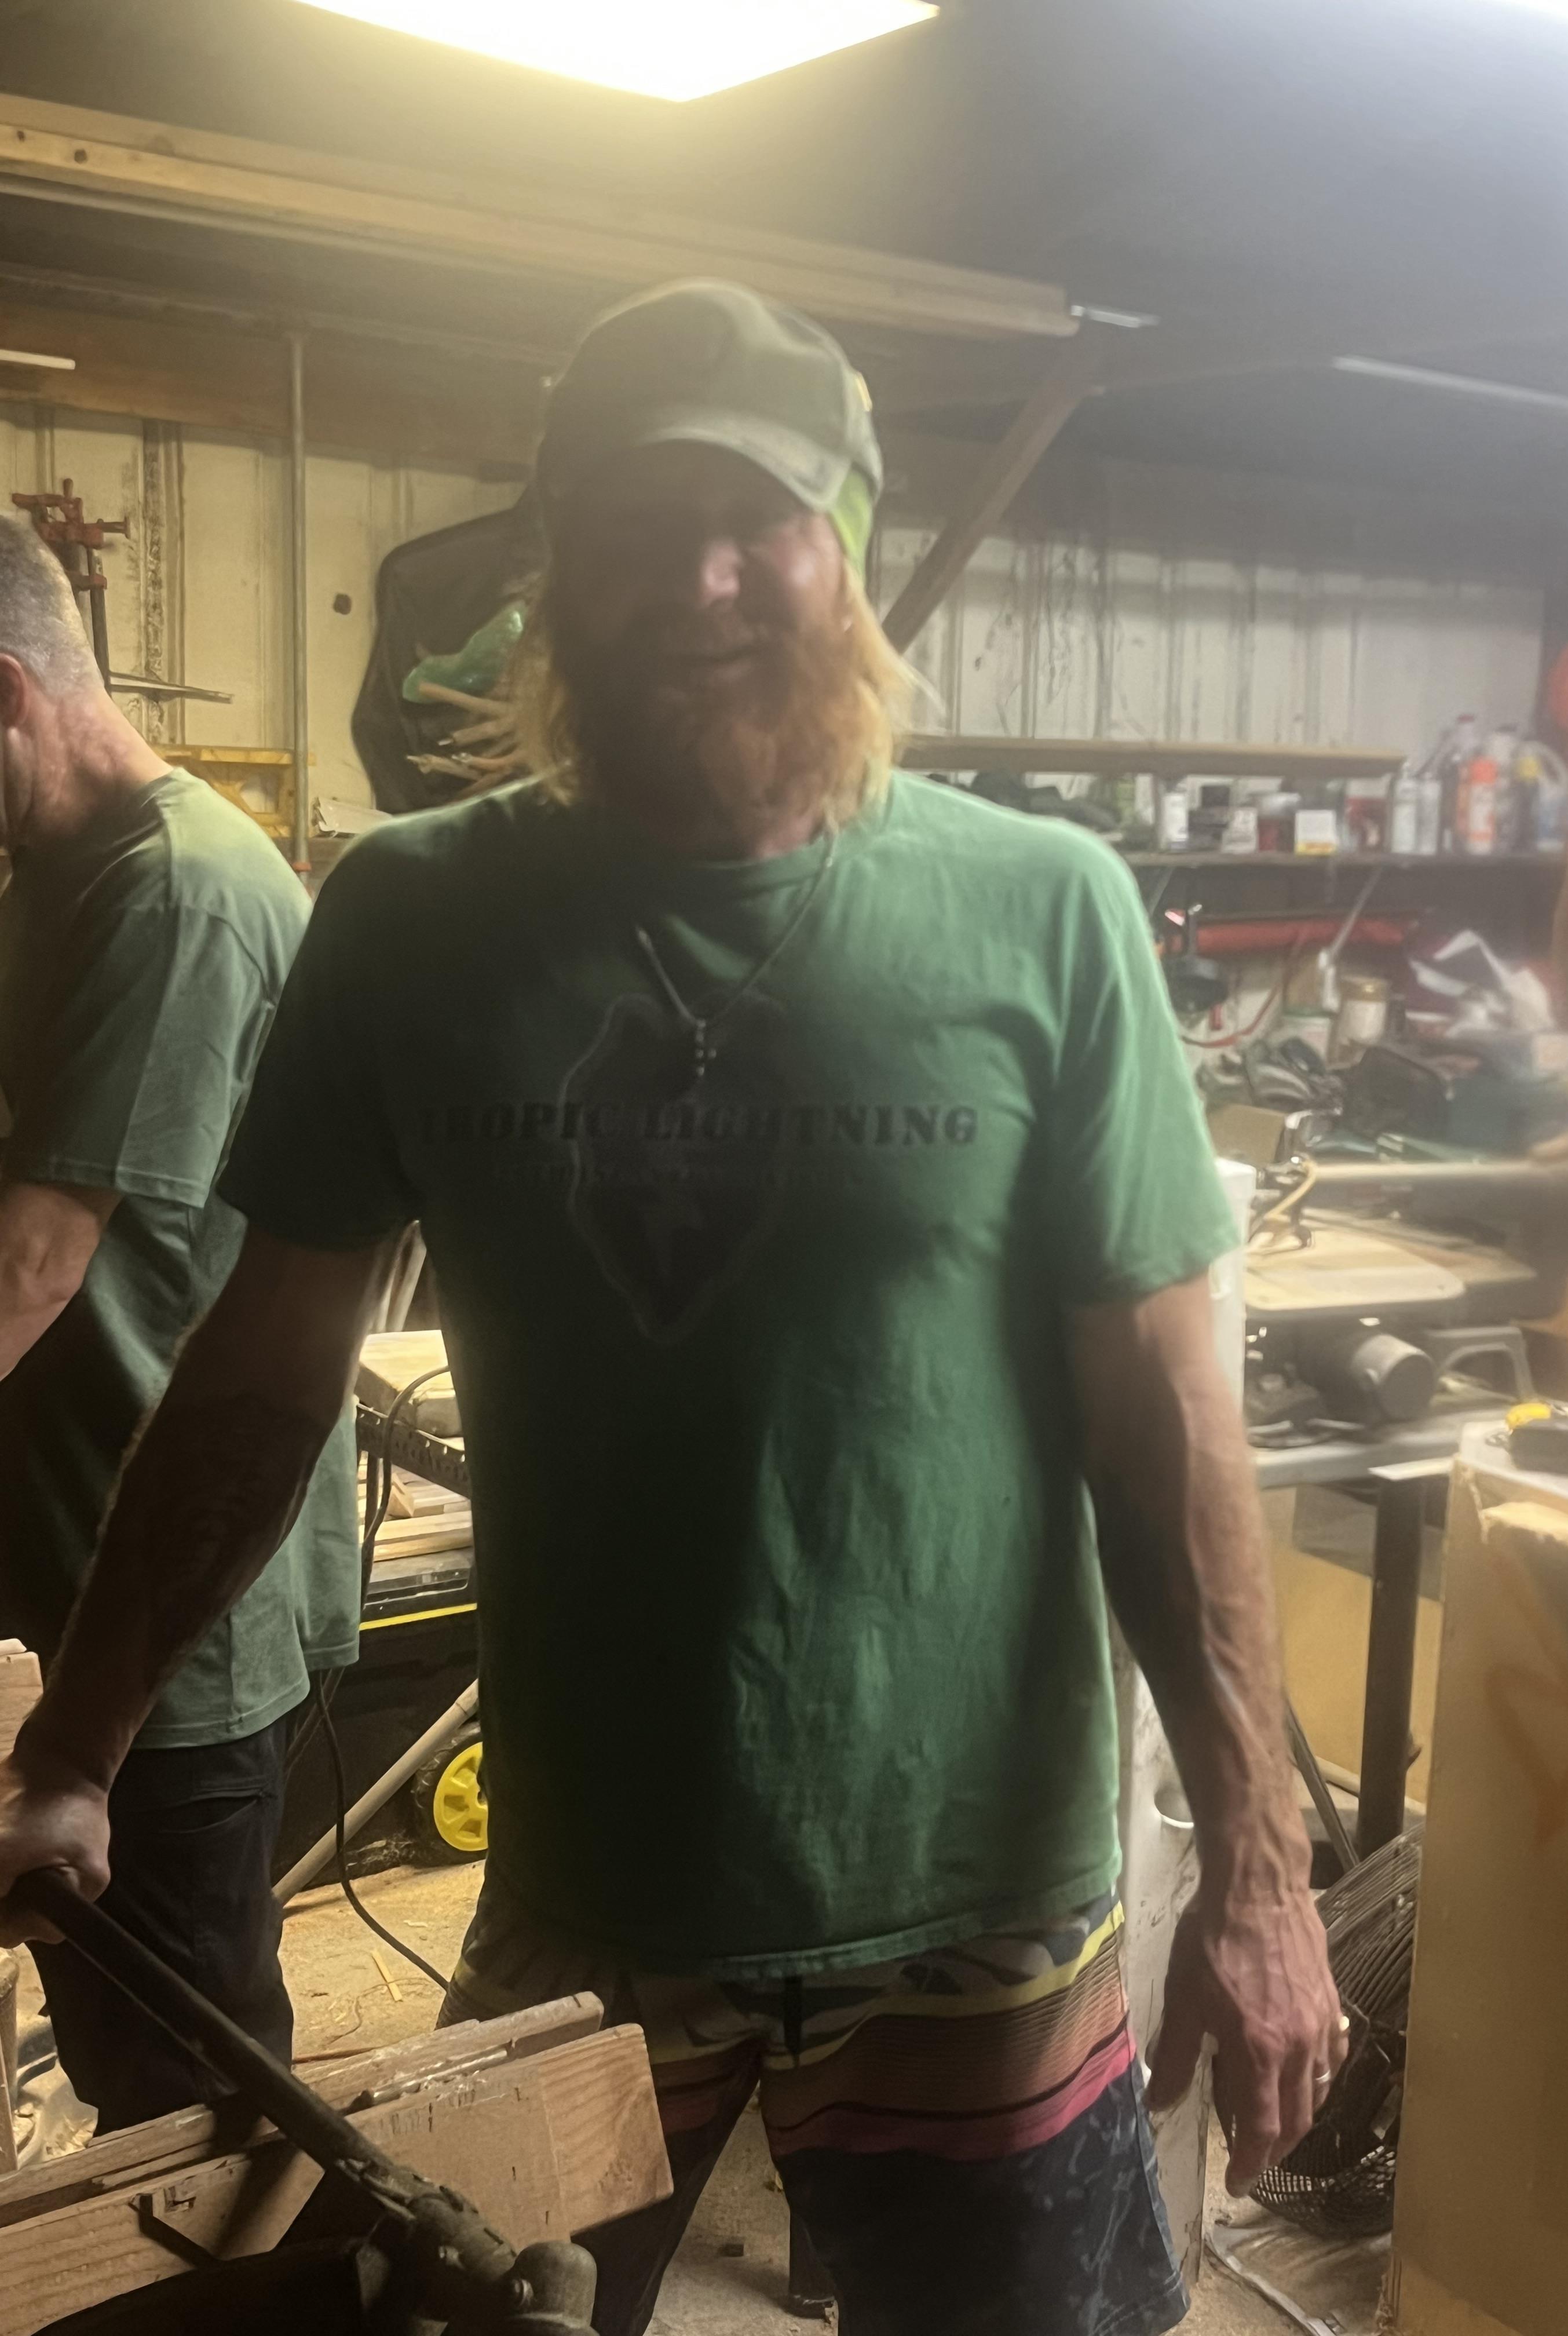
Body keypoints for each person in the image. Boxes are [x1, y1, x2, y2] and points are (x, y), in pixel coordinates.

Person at [0, 283, 1340, 2329]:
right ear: (557, 571)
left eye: (759, 519)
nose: (701, 580)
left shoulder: (1040, 909)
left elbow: (1162, 1428)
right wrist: (77, 1750)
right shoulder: (413, 922)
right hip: (593, 1894)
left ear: (851, 553)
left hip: (980, 1918)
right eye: (638, 524)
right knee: (473, 2303)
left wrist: (1256, 1868)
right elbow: (259, 1389)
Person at [0, 516, 359, 2131]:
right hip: (66, 1566)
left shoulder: (180, 894)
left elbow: (35, 1264)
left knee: (191, 2100)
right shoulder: (54, 876)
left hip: (165, 1629)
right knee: (114, 2046)